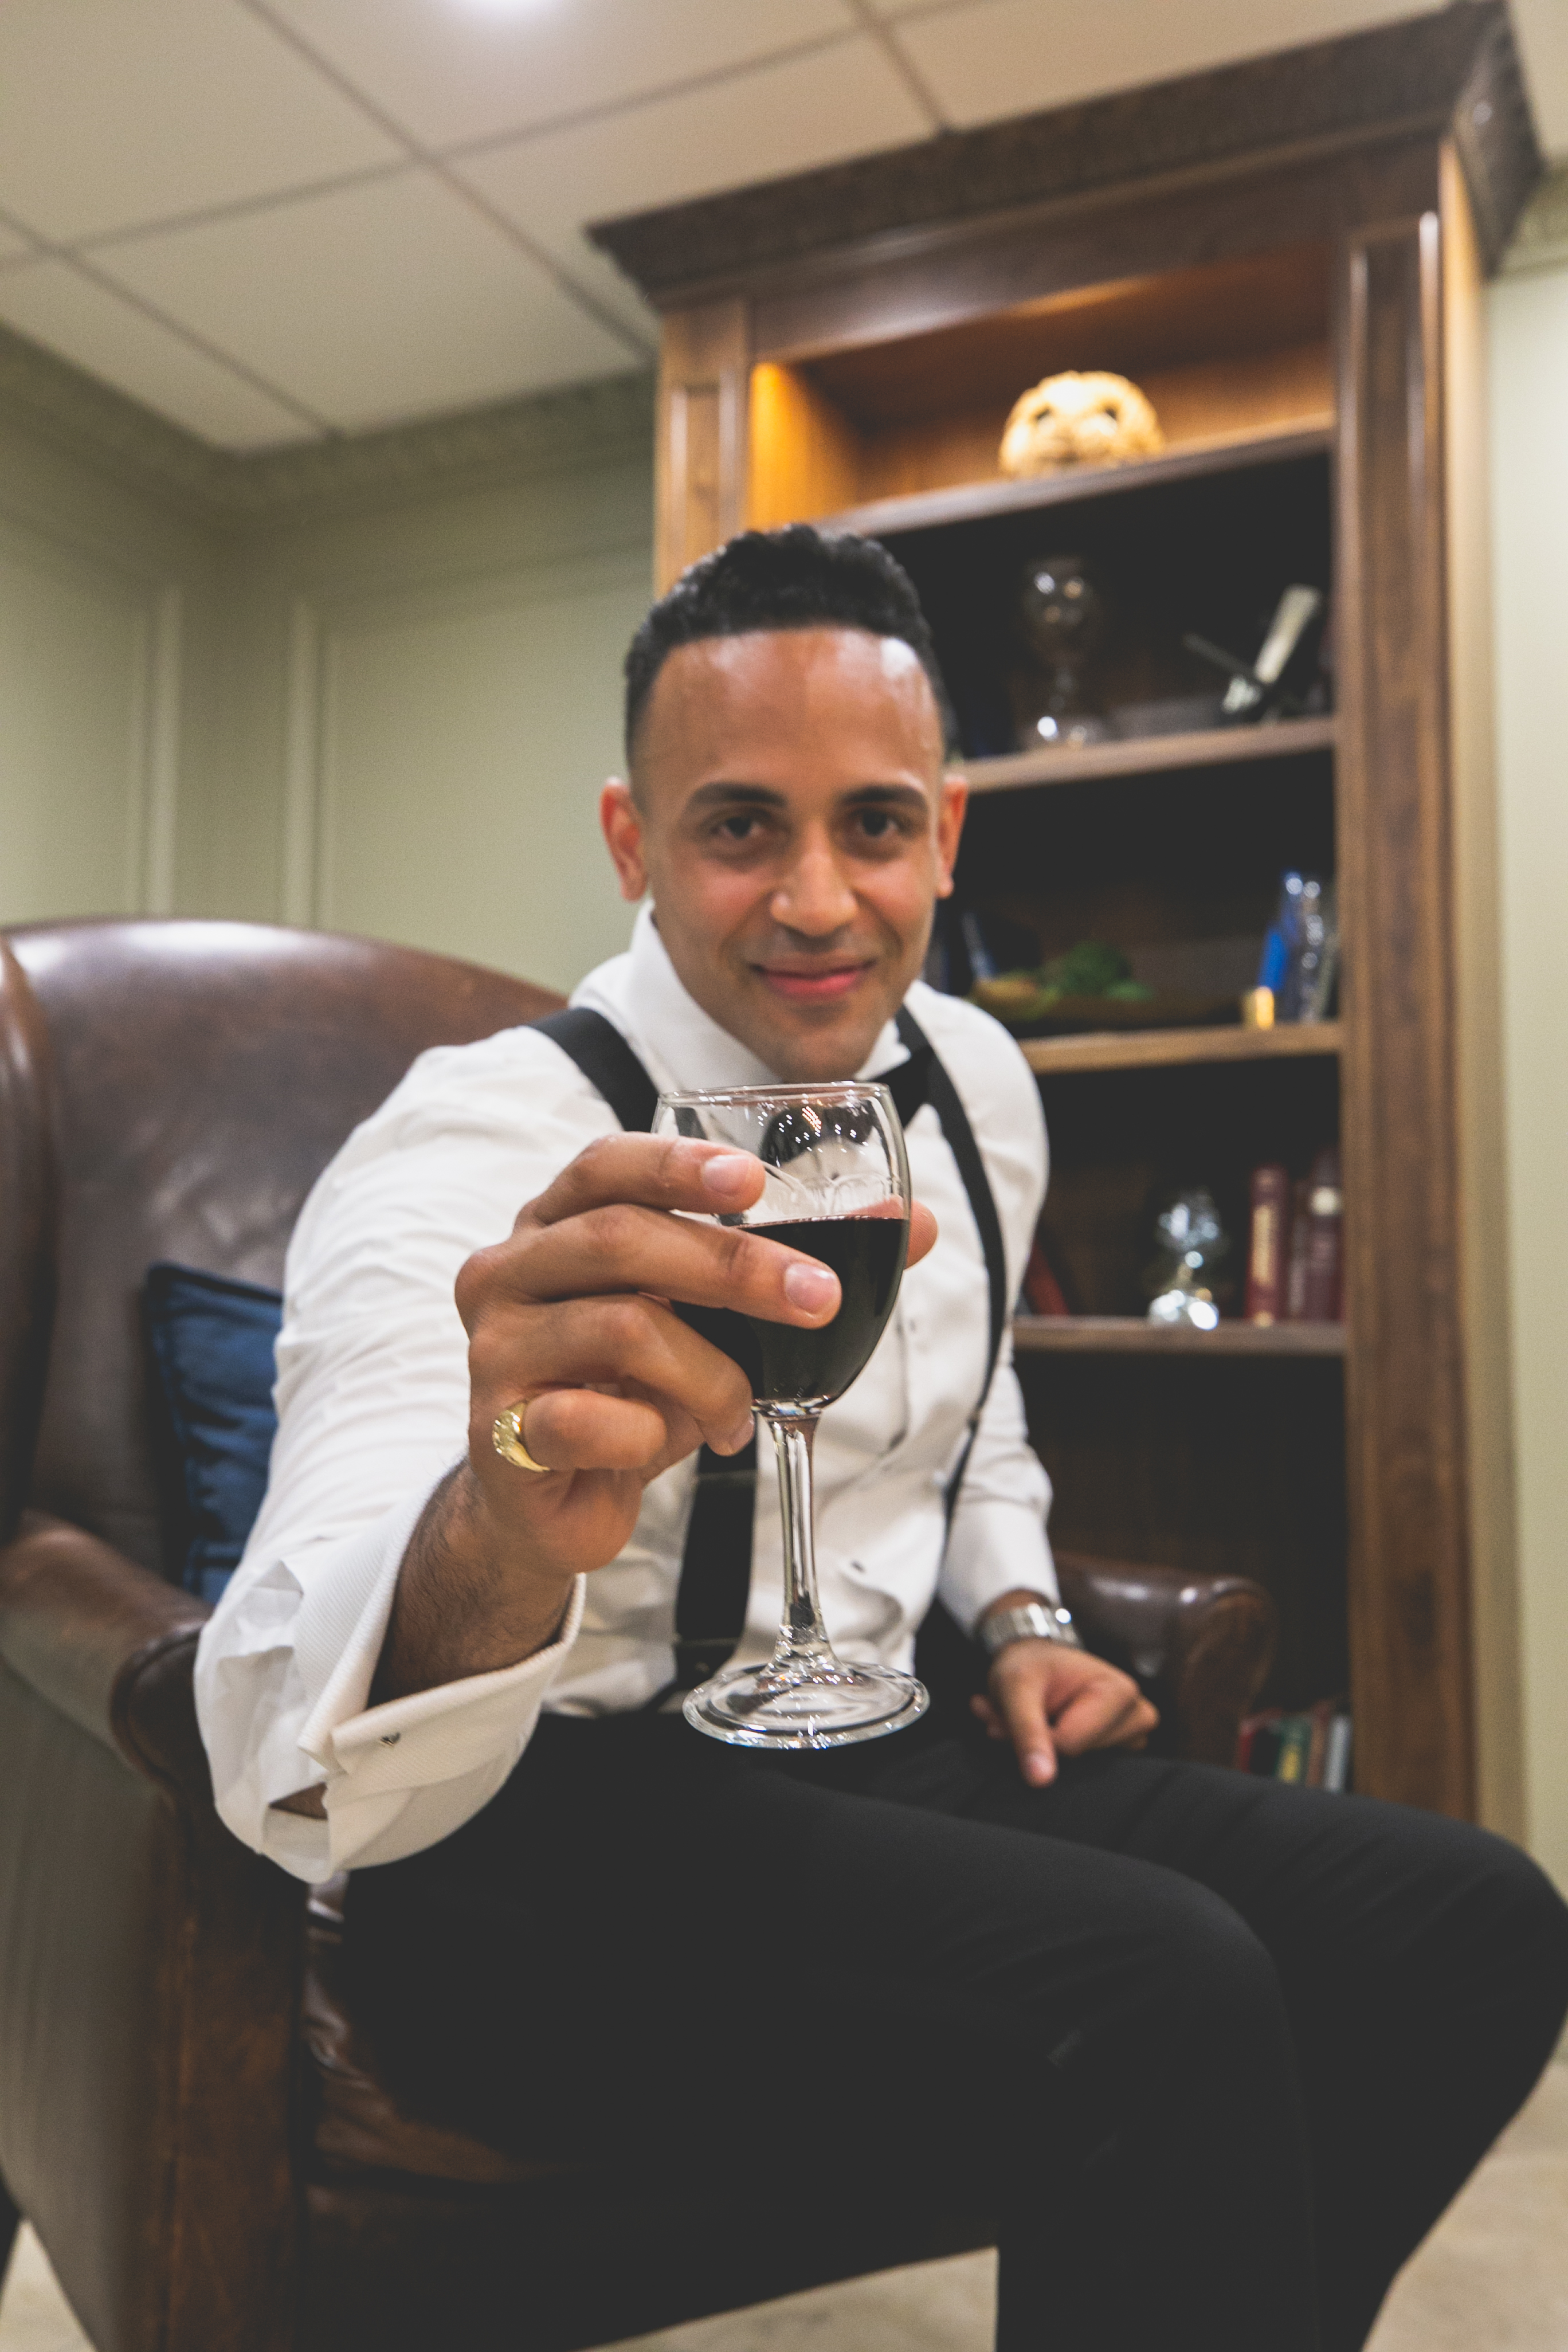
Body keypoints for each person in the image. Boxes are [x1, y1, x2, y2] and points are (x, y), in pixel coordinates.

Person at [195, 526, 1568, 2352]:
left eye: (876, 825)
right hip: (547, 1827)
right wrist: (501, 1522)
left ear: (949, 835)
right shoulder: (475, 1142)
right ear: (632, 842)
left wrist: (1019, 1616)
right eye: (740, 825)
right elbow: (275, 1720)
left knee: (1473, 1924)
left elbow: (976, 1411)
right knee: (1168, 1984)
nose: (820, 899)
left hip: (886, 1748)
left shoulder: (980, 1084)